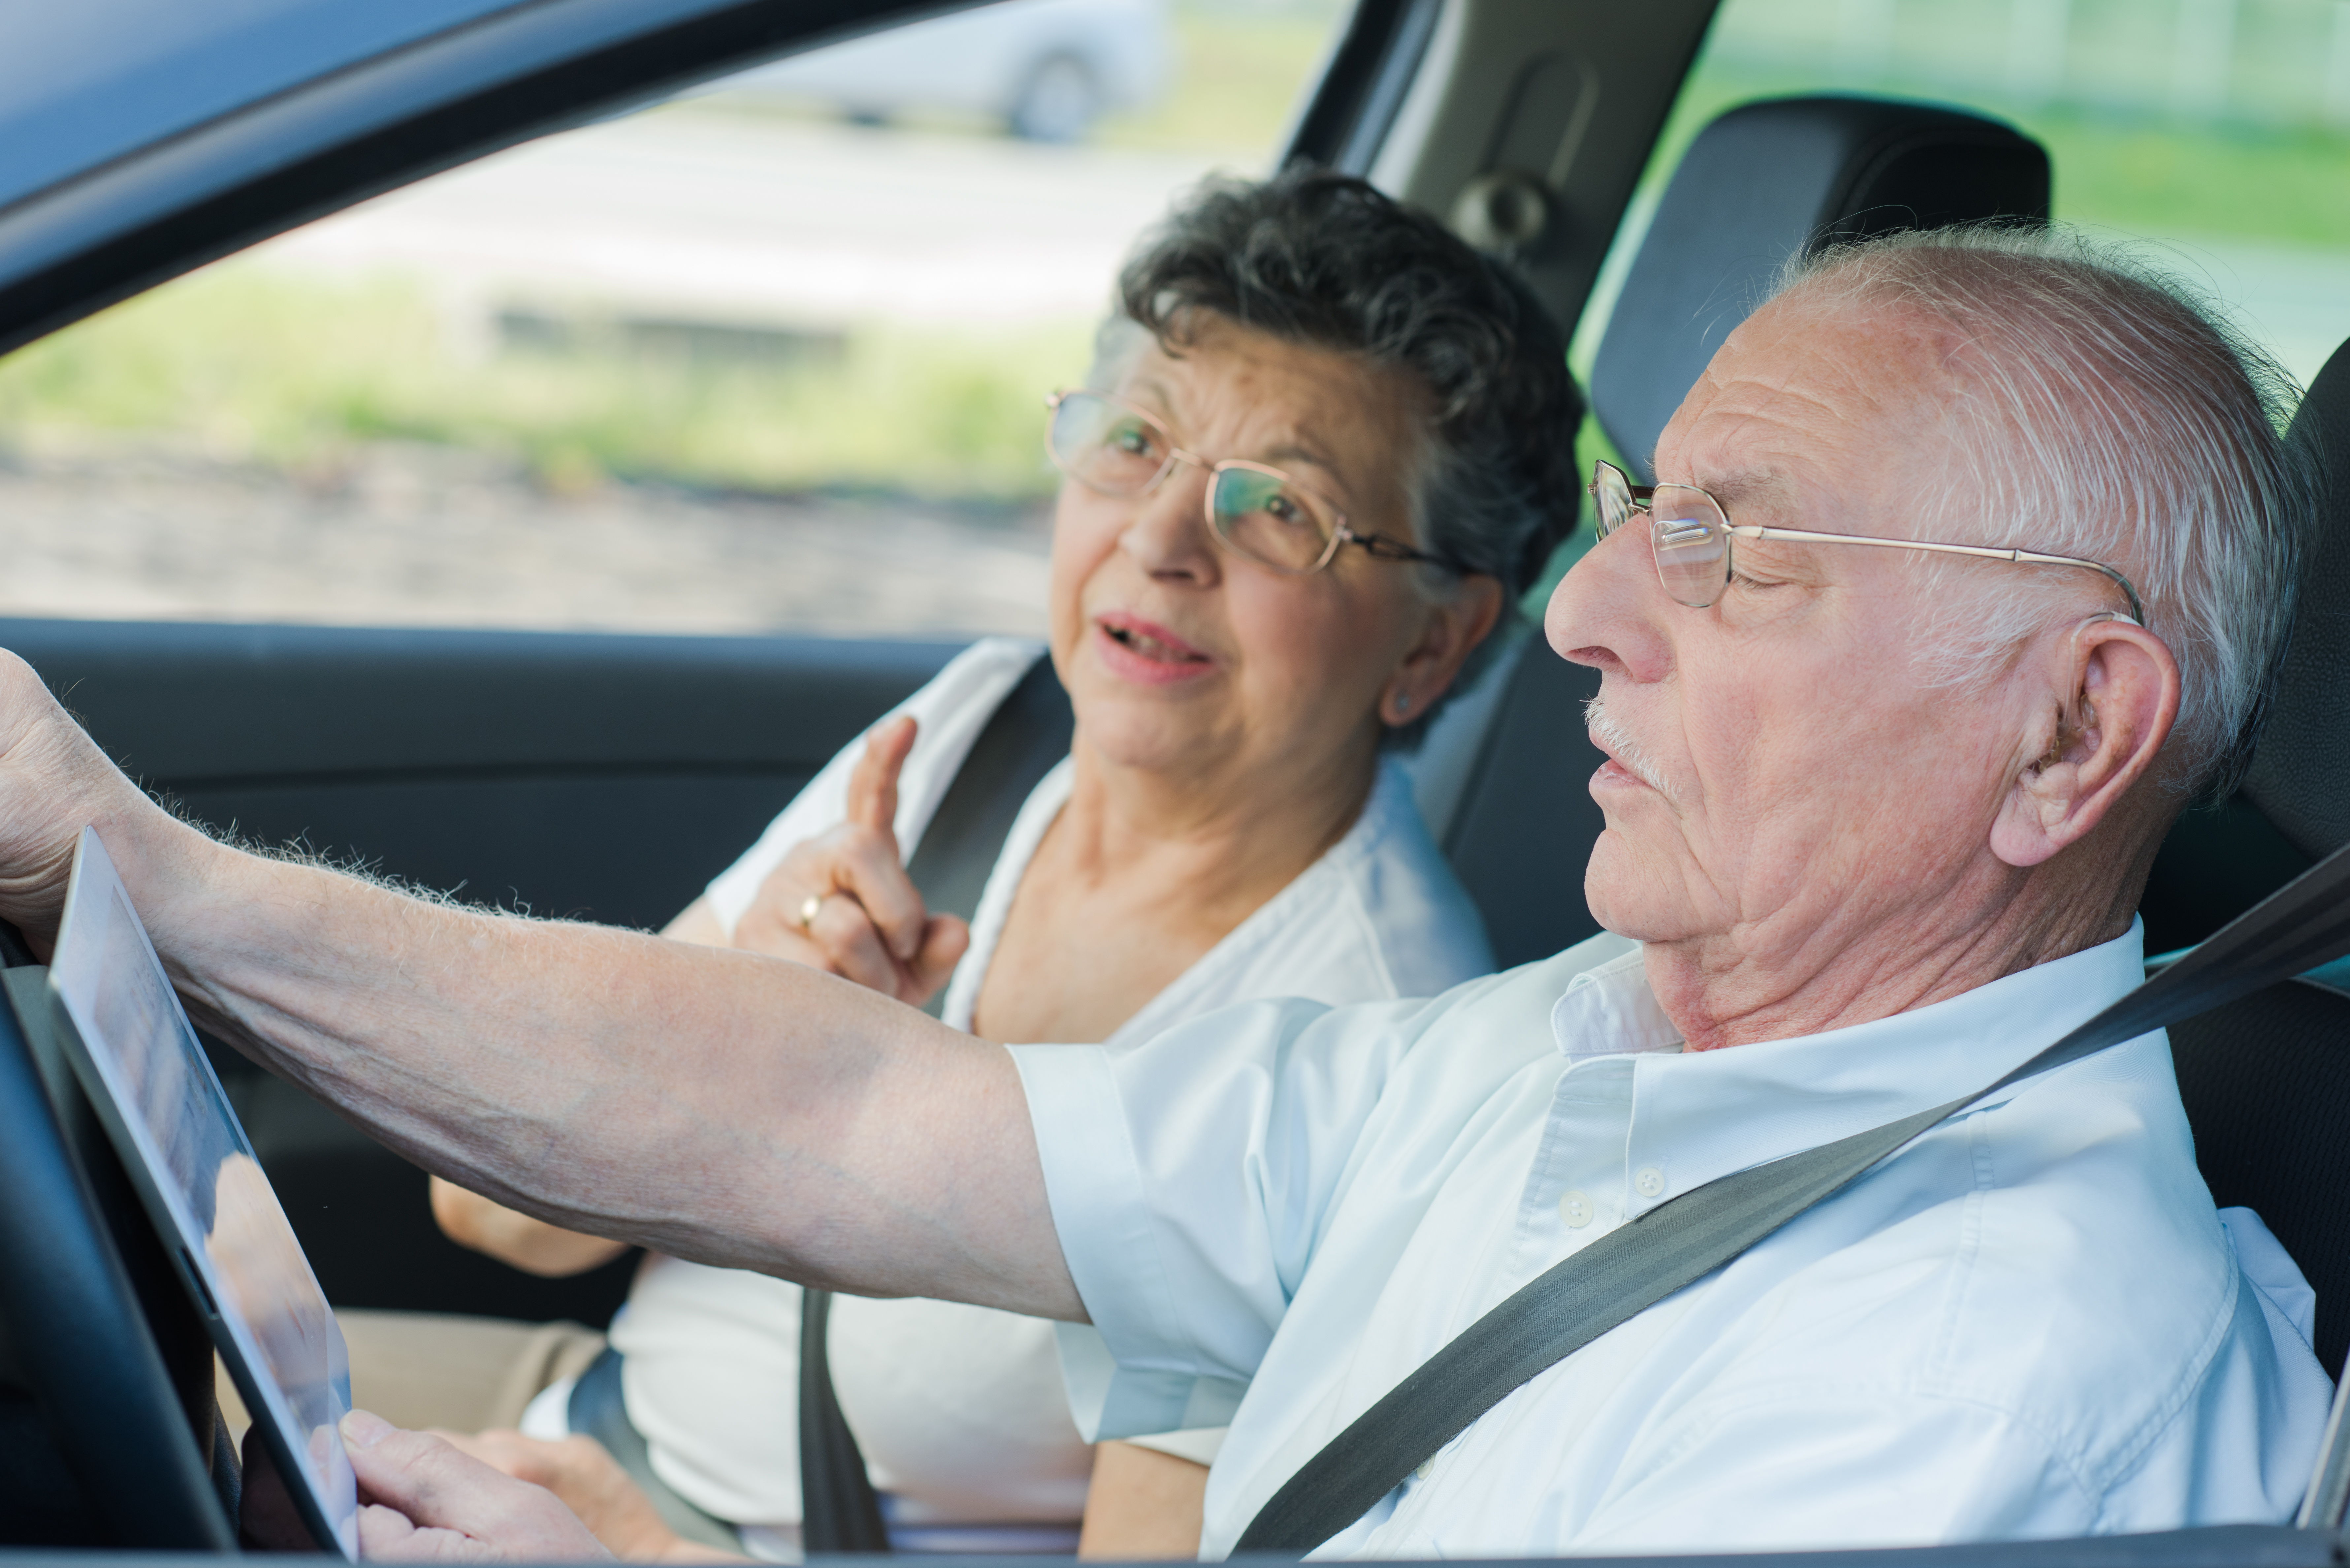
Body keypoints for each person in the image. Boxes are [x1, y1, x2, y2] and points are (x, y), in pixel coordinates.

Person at [0, 221, 2331, 1560]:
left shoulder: (1982, 1383)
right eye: (1640, 506)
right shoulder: (1568, 1048)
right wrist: (152, 875)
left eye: (1729, 548)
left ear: (2066, 732)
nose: (1594, 613)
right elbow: (846, 1125)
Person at [287, 168, 1588, 1563]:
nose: (1154, 542)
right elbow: (488, 1213)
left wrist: (648, 1558)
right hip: (565, 1426)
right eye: (1133, 441)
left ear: (1432, 643)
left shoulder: (1362, 1060)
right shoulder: (975, 736)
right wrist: (735, 1014)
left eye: (1275, 506)